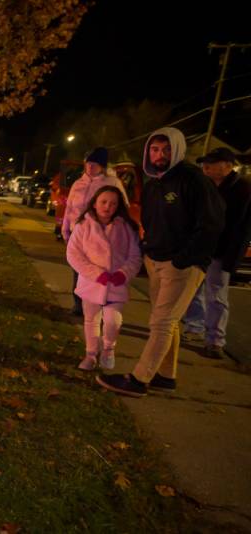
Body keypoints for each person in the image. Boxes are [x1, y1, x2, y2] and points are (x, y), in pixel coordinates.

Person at [97, 127, 225, 397]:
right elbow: (152, 222)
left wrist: (183, 259)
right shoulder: (154, 182)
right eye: (155, 149)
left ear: (177, 150)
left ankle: (139, 379)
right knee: (167, 322)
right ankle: (166, 376)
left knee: (162, 323)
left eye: (166, 149)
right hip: (155, 261)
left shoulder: (193, 180)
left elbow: (211, 223)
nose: (160, 155)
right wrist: (146, 248)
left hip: (181, 265)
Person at [181, 147, 251, 358]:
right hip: (200, 248)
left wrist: (233, 258)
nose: (206, 167)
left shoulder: (243, 190)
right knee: (192, 289)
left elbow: (244, 228)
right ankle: (195, 326)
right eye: (205, 163)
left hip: (221, 251)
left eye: (212, 163)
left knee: (217, 296)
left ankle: (215, 340)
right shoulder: (205, 186)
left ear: (228, 166)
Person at [67, 186, 142, 371]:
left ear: (118, 206)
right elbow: (74, 254)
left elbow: (135, 256)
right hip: (91, 284)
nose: (108, 206)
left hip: (116, 284)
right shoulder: (83, 226)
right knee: (91, 321)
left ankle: (108, 348)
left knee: (112, 321)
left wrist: (124, 273)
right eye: (104, 202)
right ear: (94, 203)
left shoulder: (125, 228)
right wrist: (96, 274)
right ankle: (90, 355)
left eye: (113, 203)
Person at [62, 147, 128, 316]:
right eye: (88, 163)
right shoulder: (78, 184)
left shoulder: (111, 183)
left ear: (102, 166)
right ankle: (79, 304)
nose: (90, 167)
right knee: (78, 270)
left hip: (101, 236)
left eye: (95, 164)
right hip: (78, 234)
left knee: (98, 271)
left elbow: (123, 208)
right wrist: (65, 229)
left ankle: (100, 304)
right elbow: (69, 208)